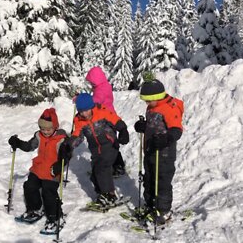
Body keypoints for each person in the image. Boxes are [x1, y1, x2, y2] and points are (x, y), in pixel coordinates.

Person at [8, 108, 72, 234]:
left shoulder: (61, 139)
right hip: (38, 168)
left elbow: (67, 156)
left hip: (52, 170)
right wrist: (18, 143)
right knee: (29, 186)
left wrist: (60, 163)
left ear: (55, 126)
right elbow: (29, 146)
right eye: (43, 129)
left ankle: (55, 217)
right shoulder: (39, 135)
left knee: (48, 193)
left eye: (48, 129)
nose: (45, 132)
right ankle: (34, 209)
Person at [133, 79, 183, 225]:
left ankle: (163, 211)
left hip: (164, 152)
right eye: (145, 101)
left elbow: (176, 130)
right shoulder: (152, 106)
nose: (147, 104)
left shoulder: (170, 107)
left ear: (157, 96)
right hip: (150, 148)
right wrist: (143, 126)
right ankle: (150, 206)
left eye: (149, 100)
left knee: (162, 181)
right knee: (148, 178)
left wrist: (165, 139)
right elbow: (154, 124)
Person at [66, 93, 129, 207]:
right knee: (95, 173)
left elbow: (116, 120)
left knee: (102, 168)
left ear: (91, 107)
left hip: (110, 145)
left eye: (86, 110)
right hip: (96, 149)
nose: (84, 114)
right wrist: (69, 145)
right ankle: (102, 194)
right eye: (81, 111)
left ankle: (110, 194)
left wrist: (123, 130)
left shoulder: (102, 112)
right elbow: (78, 136)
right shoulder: (79, 120)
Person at [85, 66, 126, 177]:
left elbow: (96, 100)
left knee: (111, 144)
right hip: (107, 118)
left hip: (108, 120)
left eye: (91, 82)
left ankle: (118, 166)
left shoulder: (101, 89)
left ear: (95, 79)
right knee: (110, 143)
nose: (91, 84)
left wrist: (82, 101)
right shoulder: (103, 86)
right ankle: (112, 166)